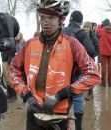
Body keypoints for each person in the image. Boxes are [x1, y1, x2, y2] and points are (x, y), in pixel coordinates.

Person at [10, 1, 101, 130]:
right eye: (42, 17)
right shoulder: (29, 44)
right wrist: (26, 96)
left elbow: (93, 74)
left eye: (51, 18)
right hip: (33, 112)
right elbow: (14, 70)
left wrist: (62, 94)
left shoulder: (72, 44)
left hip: (59, 114)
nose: (45, 22)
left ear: (61, 19)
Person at [62, 10, 96, 130]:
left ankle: (63, 125)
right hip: (76, 72)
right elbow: (91, 51)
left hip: (61, 71)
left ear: (70, 20)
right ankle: (78, 128)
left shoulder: (61, 31)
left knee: (62, 97)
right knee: (77, 98)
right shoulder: (81, 33)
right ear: (80, 21)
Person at [1, 32, 25, 100]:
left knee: (11, 77)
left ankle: (14, 95)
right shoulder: (6, 41)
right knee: (6, 77)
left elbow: (17, 53)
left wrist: (12, 59)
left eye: (18, 35)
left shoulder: (18, 43)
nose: (17, 36)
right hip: (4, 60)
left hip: (12, 62)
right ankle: (9, 94)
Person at [83, 21, 99, 100]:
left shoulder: (94, 37)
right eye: (85, 27)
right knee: (82, 75)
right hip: (82, 58)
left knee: (90, 75)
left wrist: (93, 55)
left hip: (91, 59)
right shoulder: (81, 36)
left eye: (88, 27)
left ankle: (90, 93)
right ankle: (83, 90)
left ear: (90, 28)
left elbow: (97, 49)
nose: (86, 28)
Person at [97, 18, 111, 87]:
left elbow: (97, 29)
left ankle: (103, 83)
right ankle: (110, 83)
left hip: (103, 53)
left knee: (103, 68)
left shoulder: (101, 31)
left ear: (104, 25)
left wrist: (102, 24)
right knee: (110, 68)